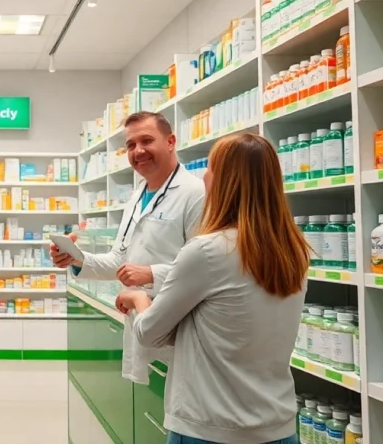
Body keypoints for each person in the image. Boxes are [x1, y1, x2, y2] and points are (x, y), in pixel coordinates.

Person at [117, 133, 308, 444]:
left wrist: (139, 298)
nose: (204, 175)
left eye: (211, 167)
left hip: (209, 428)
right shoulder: (294, 250)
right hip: (278, 427)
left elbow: (149, 333)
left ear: (224, 181)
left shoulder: (207, 251)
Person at [52, 111, 205, 383]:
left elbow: (207, 270)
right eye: (131, 145)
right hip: (141, 319)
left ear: (170, 141)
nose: (138, 151)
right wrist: (76, 258)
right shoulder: (137, 196)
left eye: (147, 141)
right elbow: (119, 260)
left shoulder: (196, 193)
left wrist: (151, 274)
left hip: (180, 325)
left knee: (178, 402)